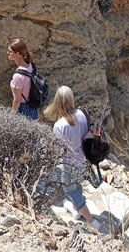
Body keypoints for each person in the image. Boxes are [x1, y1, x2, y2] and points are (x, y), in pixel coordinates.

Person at [45, 86, 104, 233]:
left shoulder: (59, 125)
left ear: (57, 102)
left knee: (69, 189)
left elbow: (58, 149)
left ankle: (91, 221)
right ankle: (78, 210)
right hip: (84, 159)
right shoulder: (82, 114)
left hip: (70, 162)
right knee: (77, 186)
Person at [7, 39, 41, 119]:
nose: (7, 53)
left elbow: (17, 100)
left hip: (23, 108)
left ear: (17, 54)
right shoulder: (30, 65)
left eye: (10, 51)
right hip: (33, 105)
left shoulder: (18, 77)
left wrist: (11, 116)